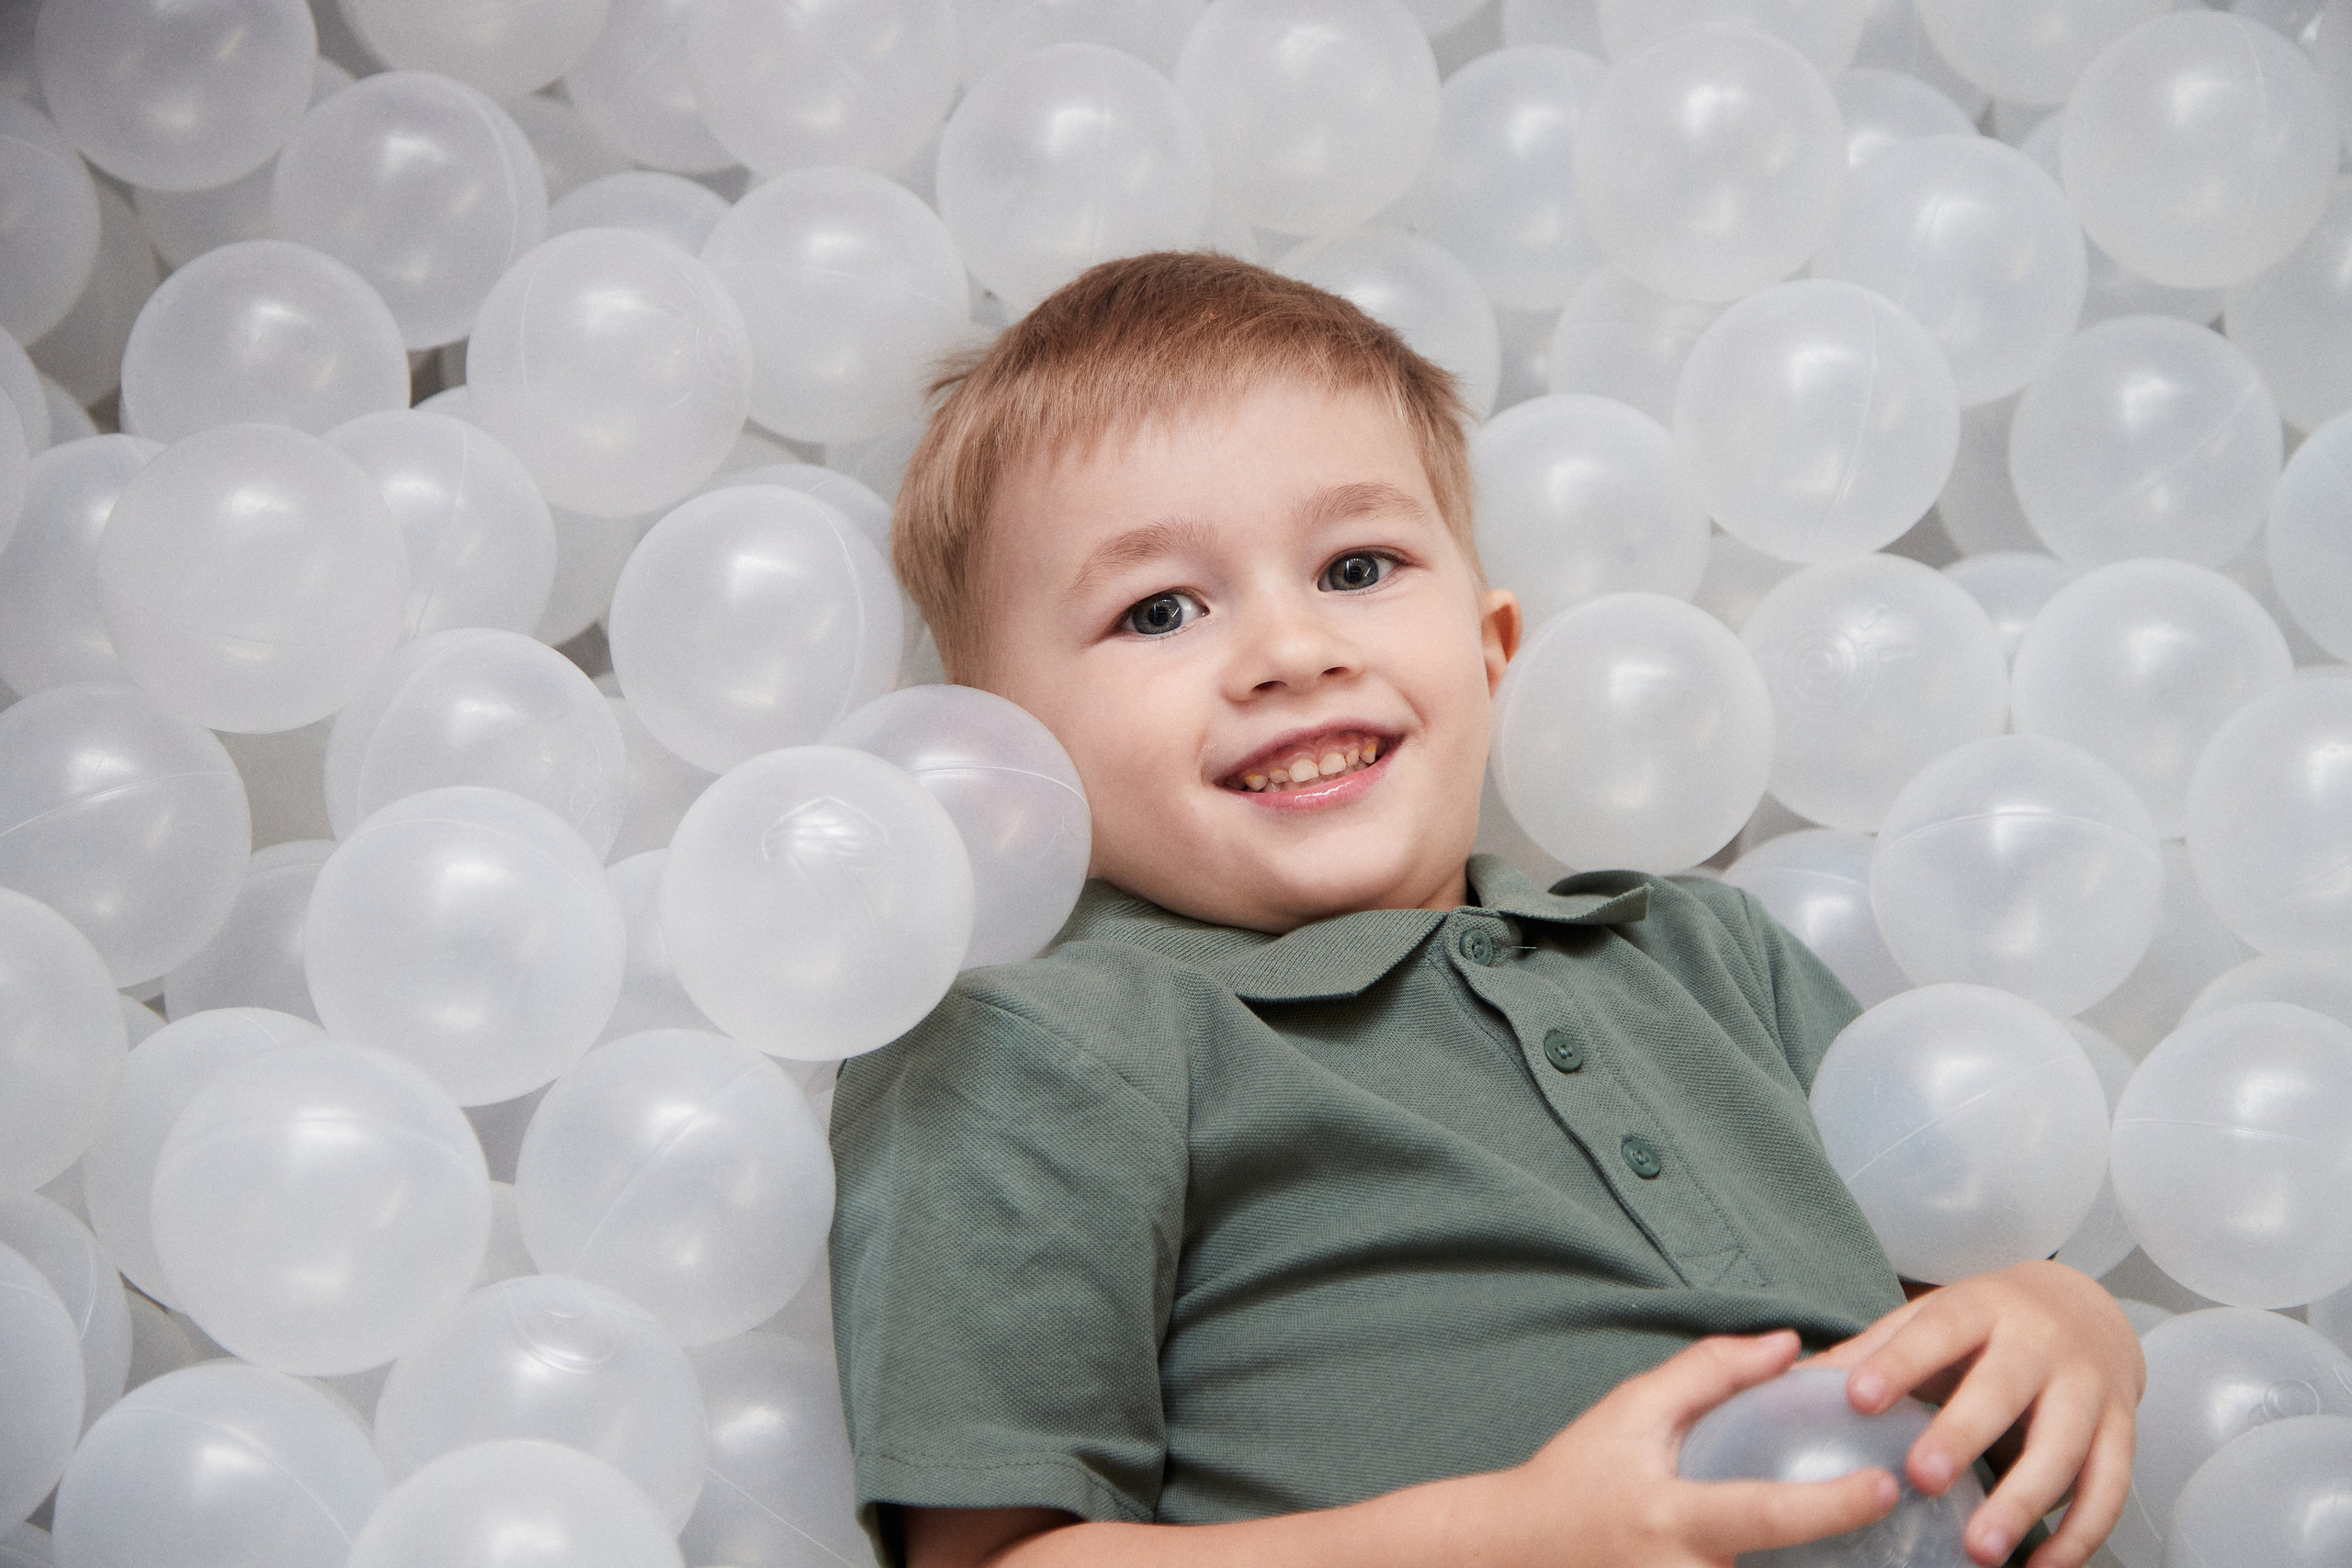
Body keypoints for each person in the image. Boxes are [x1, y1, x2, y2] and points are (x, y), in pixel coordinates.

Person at [826, 251, 2142, 1568]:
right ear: (1007, 759)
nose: (1293, 651)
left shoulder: (1706, 952)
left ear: (1490, 646)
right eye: (1159, 609)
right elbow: (993, 1560)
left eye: (1356, 568)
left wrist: (2068, 1318)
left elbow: (1958, 1293)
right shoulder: (1037, 1043)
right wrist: (1507, 1537)